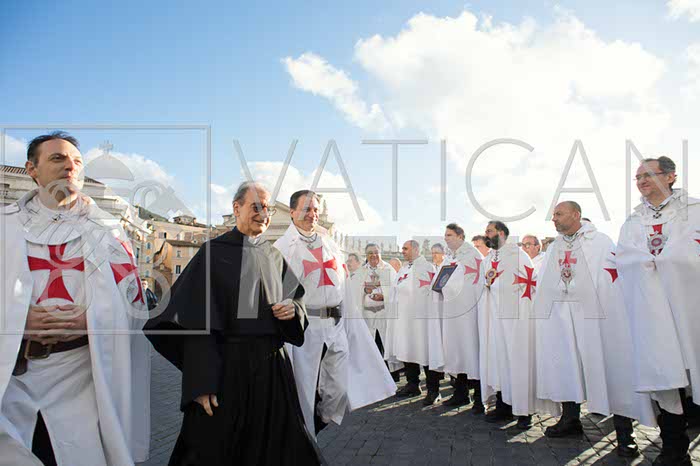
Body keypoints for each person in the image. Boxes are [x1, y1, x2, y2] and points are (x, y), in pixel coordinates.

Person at [146, 182, 324, 465]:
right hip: (227, 372)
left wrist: (294, 310)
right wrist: (199, 381)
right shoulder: (212, 254)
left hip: (272, 372)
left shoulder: (274, 256)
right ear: (236, 208)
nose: (263, 214)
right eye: (256, 207)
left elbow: (297, 301)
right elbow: (196, 324)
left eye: (267, 209)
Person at [0, 132, 150, 465]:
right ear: (32, 169)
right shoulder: (4, 226)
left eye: (77, 161)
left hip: (82, 377)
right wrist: (18, 319)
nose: (70, 166)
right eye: (57, 158)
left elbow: (134, 304)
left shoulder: (107, 229)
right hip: (11, 373)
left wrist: (88, 320)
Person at [534, 201, 656, 457]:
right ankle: (570, 419)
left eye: (558, 214)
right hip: (563, 318)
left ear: (575, 215)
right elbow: (544, 280)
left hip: (597, 319)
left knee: (612, 367)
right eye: (553, 214)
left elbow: (611, 277)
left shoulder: (599, 242)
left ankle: (625, 434)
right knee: (566, 365)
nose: (553, 218)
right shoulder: (554, 247)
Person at [274, 191, 396, 438]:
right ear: (292, 212)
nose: (312, 214)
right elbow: (276, 289)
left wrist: (351, 319)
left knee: (339, 387)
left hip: (335, 323)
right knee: (303, 385)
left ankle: (321, 419)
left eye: (315, 209)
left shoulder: (330, 245)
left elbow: (343, 285)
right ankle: (306, 436)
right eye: (306, 209)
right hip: (305, 323)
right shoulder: (281, 248)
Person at [617, 156, 700, 466]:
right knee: (663, 373)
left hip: (689, 304)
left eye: (649, 175)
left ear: (670, 176)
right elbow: (623, 256)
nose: (641, 181)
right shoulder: (633, 220)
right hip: (651, 309)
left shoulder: (693, 210)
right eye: (638, 177)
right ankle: (674, 449)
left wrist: (669, 259)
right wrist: (645, 262)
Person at [478, 221, 547, 429]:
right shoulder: (488, 259)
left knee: (518, 362)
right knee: (499, 361)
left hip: (516, 320)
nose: (486, 234)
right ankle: (504, 406)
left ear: (500, 233)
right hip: (495, 320)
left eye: (489, 231)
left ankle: (525, 411)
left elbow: (527, 285)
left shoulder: (518, 256)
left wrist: (498, 286)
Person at [385, 240, 445, 405]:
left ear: (416, 249)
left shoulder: (426, 268)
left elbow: (430, 293)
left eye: (406, 248)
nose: (402, 251)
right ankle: (413, 384)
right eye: (402, 248)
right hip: (404, 319)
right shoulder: (404, 268)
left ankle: (433, 390)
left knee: (426, 352)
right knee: (407, 349)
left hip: (421, 320)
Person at [436, 223, 484, 412]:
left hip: (468, 313)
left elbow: (471, 281)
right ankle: (460, 393)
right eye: (445, 235)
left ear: (460, 236)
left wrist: (448, 286)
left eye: (449, 235)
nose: (446, 238)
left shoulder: (472, 255)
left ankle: (479, 398)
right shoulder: (450, 257)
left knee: (471, 351)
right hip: (452, 312)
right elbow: (441, 280)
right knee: (457, 351)